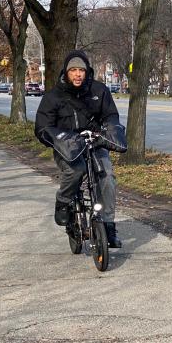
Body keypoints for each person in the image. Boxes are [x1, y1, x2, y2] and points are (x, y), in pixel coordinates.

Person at [35, 50, 125, 248]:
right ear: (66, 72)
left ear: (87, 71)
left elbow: (111, 116)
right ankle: (64, 200)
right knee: (76, 171)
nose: (78, 74)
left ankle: (109, 226)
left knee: (107, 177)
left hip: (94, 142)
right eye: (73, 70)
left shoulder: (99, 91)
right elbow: (42, 126)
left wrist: (110, 131)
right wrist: (59, 139)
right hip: (68, 147)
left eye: (81, 70)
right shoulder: (54, 96)